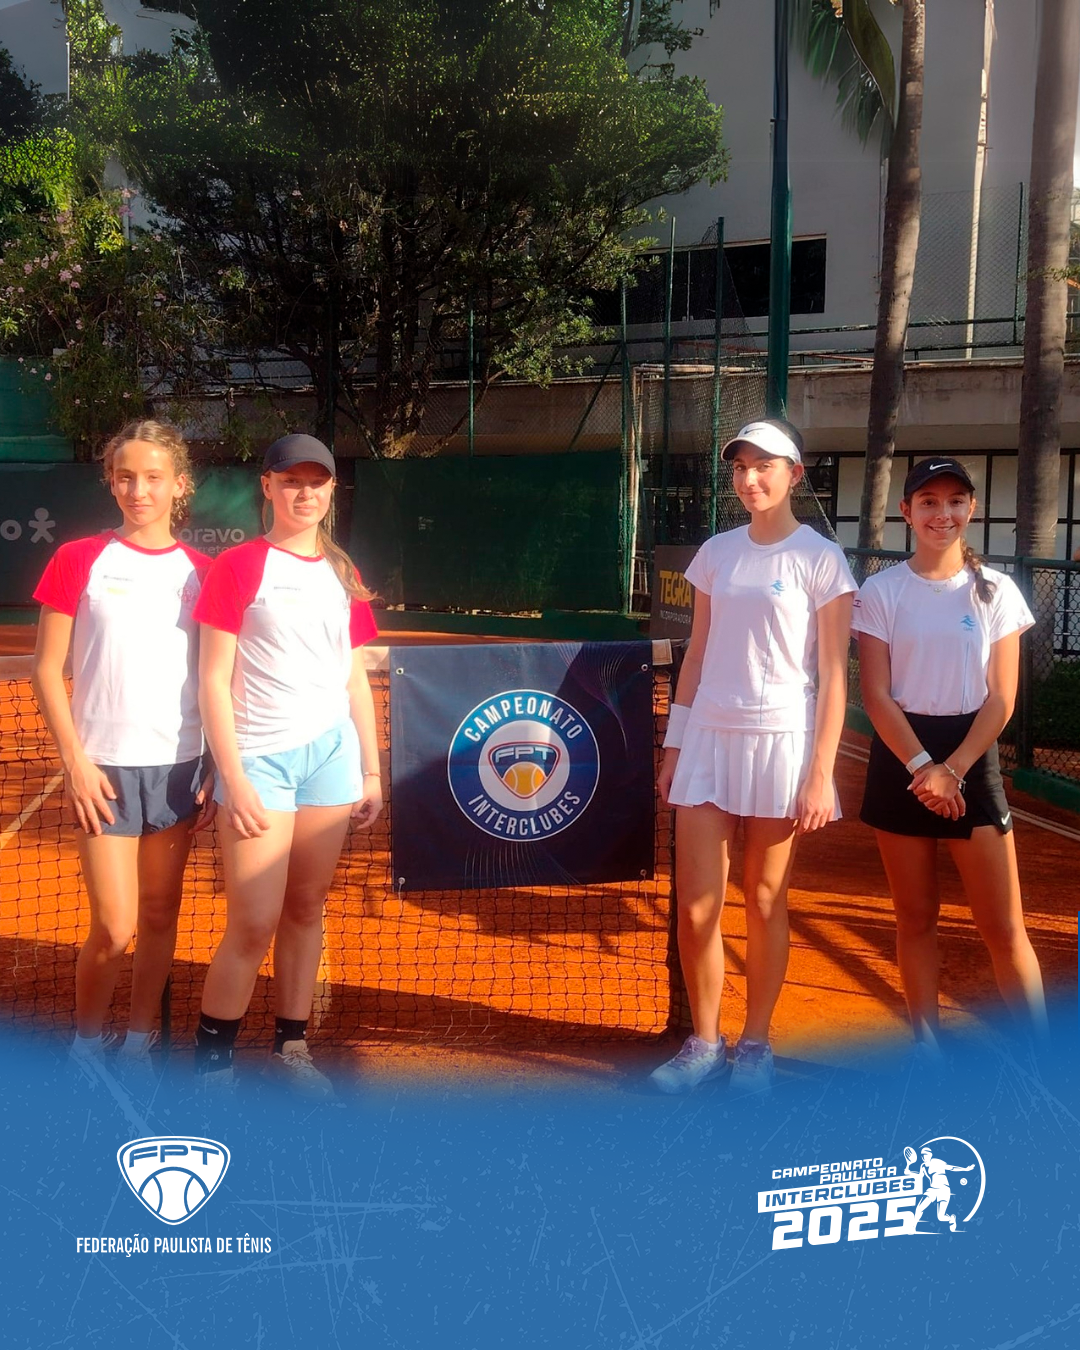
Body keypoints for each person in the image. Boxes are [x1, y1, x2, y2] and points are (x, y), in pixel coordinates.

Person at [652, 419, 856, 1094]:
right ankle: (704, 1043)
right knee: (696, 907)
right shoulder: (716, 553)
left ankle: (756, 1044)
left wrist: (821, 772)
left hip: (782, 743)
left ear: (794, 474)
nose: (750, 478)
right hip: (708, 739)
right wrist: (675, 743)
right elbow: (697, 655)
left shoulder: (822, 560)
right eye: (740, 467)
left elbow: (834, 675)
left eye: (764, 466)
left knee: (766, 900)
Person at [192, 433, 382, 1095]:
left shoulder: (343, 573)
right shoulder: (238, 566)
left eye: (316, 481)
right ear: (267, 487)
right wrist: (233, 775)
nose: (305, 492)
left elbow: (354, 677)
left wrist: (370, 770)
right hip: (260, 763)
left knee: (305, 908)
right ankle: (212, 1065)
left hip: (331, 759)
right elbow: (212, 680)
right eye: (291, 480)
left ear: (331, 490)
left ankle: (291, 1046)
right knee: (252, 922)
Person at [31, 420, 212, 1075]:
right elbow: (45, 669)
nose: (140, 490)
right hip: (101, 770)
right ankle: (86, 1045)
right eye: (127, 477)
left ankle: (139, 1040)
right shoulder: (77, 559)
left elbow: (218, 676)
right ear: (111, 482)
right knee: (113, 927)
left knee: (160, 913)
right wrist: (75, 763)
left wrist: (214, 764)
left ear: (179, 484)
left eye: (154, 477)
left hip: (179, 767)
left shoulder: (203, 572)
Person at [853, 457, 1047, 1055]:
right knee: (914, 919)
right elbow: (875, 694)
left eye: (955, 501)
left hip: (971, 757)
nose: (943, 514)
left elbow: (1002, 698)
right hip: (901, 758)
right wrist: (922, 769)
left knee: (1003, 927)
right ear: (906, 511)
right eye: (929, 502)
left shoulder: (997, 590)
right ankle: (927, 1052)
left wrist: (953, 770)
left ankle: (1042, 1064)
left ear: (972, 509)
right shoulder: (881, 591)